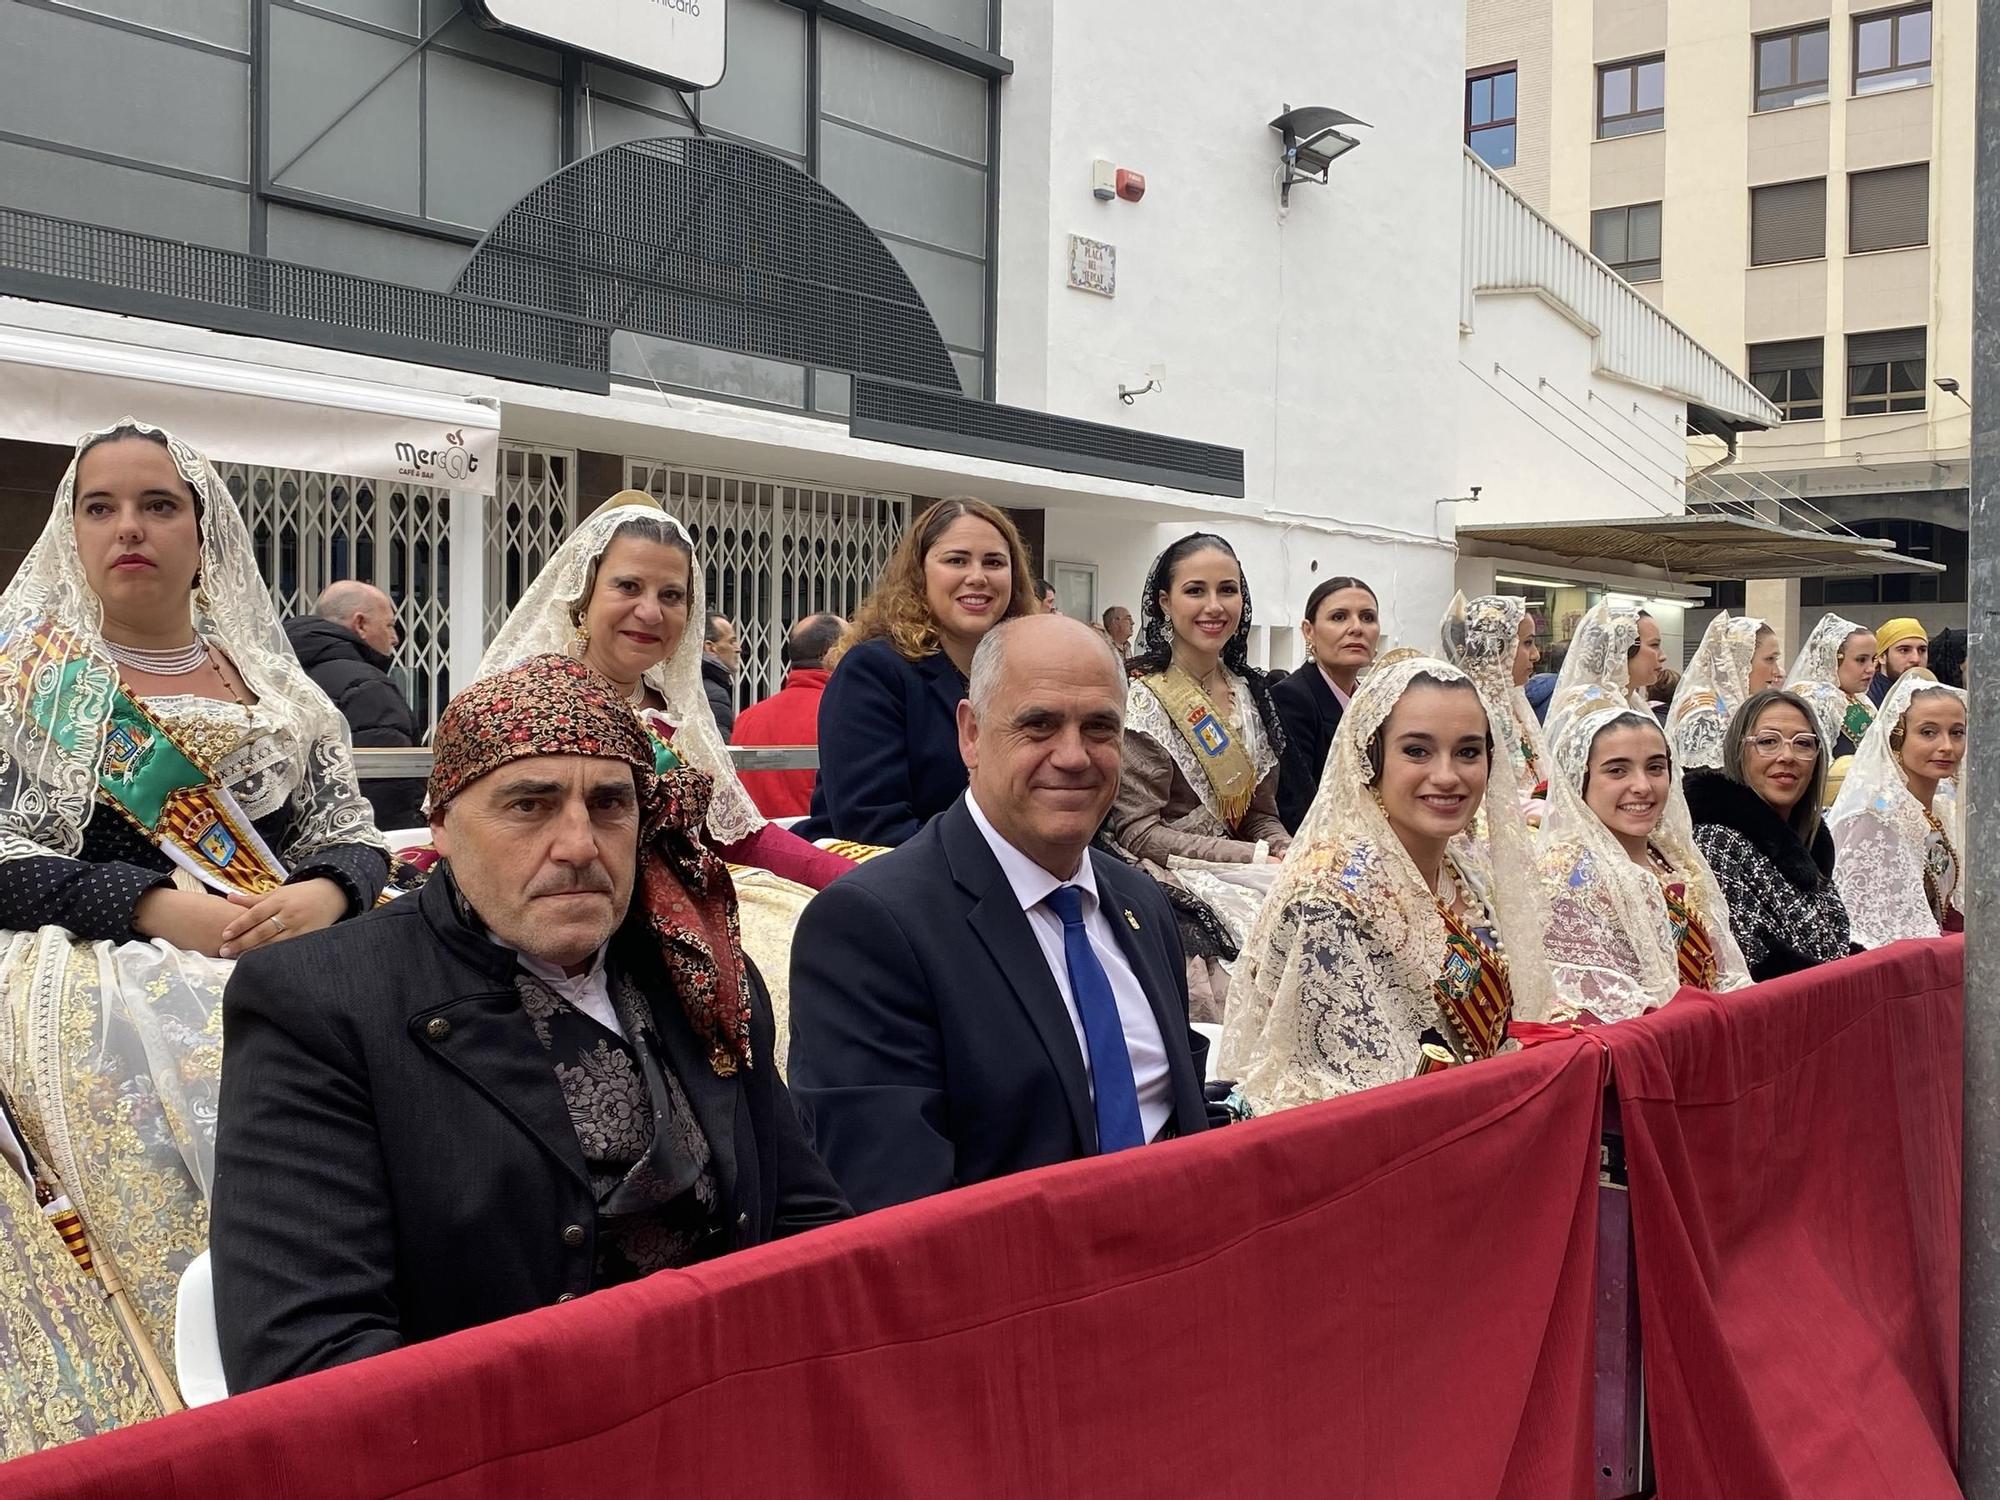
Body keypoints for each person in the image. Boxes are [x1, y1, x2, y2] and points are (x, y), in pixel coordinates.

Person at [212, 655, 849, 1391]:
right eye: (529, 805)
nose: (579, 845)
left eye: (610, 805)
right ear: (443, 825)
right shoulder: (322, 1005)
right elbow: (310, 1358)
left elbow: (809, 1228)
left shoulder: (698, 972)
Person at [0, 418, 389, 1423]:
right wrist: (149, 907)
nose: (129, 527)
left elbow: (353, 833)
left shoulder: (280, 692)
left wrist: (326, 891)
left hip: (280, 953)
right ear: (72, 531)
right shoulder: (22, 683)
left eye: (159, 504)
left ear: (203, 530)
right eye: (102, 506)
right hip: (82, 971)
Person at [788, 615, 1211, 1213]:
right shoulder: (871, 929)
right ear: (971, 734)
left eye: (1099, 728)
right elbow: (896, 1210)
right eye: (1038, 725)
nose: (1073, 756)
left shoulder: (1140, 903)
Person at [1217, 656, 1555, 1110]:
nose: (1447, 775)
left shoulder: (1465, 869)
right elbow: (1343, 1100)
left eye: (1468, 751)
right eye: (1417, 750)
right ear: (1369, 757)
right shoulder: (1329, 901)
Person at [477, 493, 848, 891]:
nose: (650, 612)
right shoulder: (531, 701)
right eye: (629, 587)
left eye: (670, 595)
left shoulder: (678, 711)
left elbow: (739, 837)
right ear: (583, 596)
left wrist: (860, 880)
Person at [1103, 533, 1292, 1018]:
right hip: (1165, 872)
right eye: (1196, 591)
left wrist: (1284, 848)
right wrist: (1253, 857)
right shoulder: (1141, 697)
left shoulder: (1250, 693)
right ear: (1165, 602)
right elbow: (1138, 831)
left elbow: (1258, 813)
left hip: (1247, 866)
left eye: (1227, 590)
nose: (1214, 606)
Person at [798, 497, 1037, 847]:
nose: (977, 577)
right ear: (919, 572)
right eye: (956, 560)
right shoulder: (873, 671)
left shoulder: (1029, 673)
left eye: (994, 562)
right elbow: (872, 826)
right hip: (896, 881)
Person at [1535, 706, 1749, 1021]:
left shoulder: (1673, 857)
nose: (1643, 786)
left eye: (1655, 768)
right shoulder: (1566, 875)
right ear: (1579, 779)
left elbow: (1724, 968)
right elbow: (1600, 1005)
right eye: (1617, 771)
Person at [1685, 691, 1853, 982]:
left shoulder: (1810, 843)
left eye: (1802, 743)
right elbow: (1754, 964)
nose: (1786, 756)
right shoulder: (1717, 841)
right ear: (1739, 751)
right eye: (1767, 742)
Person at [1828, 673, 1967, 946]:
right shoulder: (1874, 818)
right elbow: (1873, 935)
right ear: (1896, 737)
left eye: (1957, 732)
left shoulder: (1941, 809)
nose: (1947, 746)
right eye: (1928, 732)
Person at [284, 579, 425, 832]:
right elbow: (389, 789)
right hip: (348, 847)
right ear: (360, 624)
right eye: (390, 626)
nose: (394, 639)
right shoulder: (368, 688)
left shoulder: (276, 672)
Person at [1271, 575, 1379, 831]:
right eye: (1339, 617)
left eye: (1367, 617)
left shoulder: (1375, 701)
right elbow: (1298, 806)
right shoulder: (1291, 698)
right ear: (1309, 631)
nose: (1356, 628)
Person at [1440, 592, 1549, 819]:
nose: (1536, 655)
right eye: (1527, 643)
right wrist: (1538, 811)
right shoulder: (1468, 713)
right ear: (1498, 648)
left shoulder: (1516, 704)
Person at [729, 612, 844, 819]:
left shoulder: (747, 718)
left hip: (755, 846)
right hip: (821, 846)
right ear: (833, 654)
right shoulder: (845, 716)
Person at [1664, 614, 1782, 772]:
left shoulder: (1735, 705)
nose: (1776, 671)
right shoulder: (1705, 713)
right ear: (1740, 661)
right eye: (1769, 659)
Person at [1544, 601, 1663, 753]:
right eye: (1654, 645)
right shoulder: (1586, 707)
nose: (1663, 656)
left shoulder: (1633, 702)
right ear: (1623, 648)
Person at [1870, 617, 1929, 704]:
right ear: (1882, 657)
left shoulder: (1935, 695)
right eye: (1904, 650)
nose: (1916, 659)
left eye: (1922, 650)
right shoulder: (1865, 700)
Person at [701, 611, 741, 737]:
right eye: (731, 641)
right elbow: (721, 748)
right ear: (710, 648)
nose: (738, 648)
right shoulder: (714, 694)